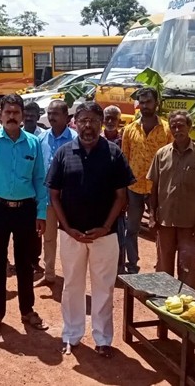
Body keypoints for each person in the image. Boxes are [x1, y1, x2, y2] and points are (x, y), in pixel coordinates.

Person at [46, 101, 135, 357]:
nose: (88, 126)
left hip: (105, 237)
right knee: (72, 285)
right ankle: (71, 335)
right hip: (71, 235)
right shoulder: (64, 152)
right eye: (83, 120)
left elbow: (121, 196)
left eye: (93, 121)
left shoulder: (114, 154)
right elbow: (54, 195)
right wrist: (67, 227)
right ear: (76, 122)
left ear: (101, 123)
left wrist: (106, 226)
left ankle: (103, 338)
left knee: (104, 288)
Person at [0, 93, 49, 337]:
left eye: (17, 113)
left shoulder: (33, 143)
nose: (12, 117)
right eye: (8, 112)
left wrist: (41, 213)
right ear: (0, 114)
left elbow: (40, 179)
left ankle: (27, 310)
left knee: (25, 264)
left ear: (22, 115)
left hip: (25, 210)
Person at [148, 110, 195, 289]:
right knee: (163, 266)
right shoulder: (161, 154)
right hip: (165, 222)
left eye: (181, 125)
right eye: (173, 126)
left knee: (188, 267)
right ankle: (163, 304)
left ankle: (187, 303)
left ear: (189, 127)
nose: (177, 129)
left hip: (189, 223)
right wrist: (153, 216)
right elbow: (153, 188)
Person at [121, 87, 173, 274]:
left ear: (156, 103)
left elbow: (172, 160)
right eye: (141, 103)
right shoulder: (129, 130)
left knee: (160, 230)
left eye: (148, 102)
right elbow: (125, 160)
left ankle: (162, 268)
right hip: (134, 188)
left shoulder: (167, 129)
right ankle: (132, 266)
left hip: (158, 189)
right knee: (131, 229)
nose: (144, 106)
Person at [36, 99, 77, 286]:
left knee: (70, 239)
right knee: (49, 238)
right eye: (49, 113)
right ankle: (49, 274)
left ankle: (71, 277)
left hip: (69, 200)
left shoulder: (75, 139)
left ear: (66, 117)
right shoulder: (41, 139)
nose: (51, 117)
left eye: (55, 114)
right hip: (47, 200)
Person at [102, 105, 126, 273]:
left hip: (119, 194)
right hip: (100, 195)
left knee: (119, 232)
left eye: (114, 119)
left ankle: (119, 267)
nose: (110, 122)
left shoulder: (125, 141)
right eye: (107, 118)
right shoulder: (96, 139)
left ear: (119, 121)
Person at [23, 101, 45, 274]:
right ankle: (22, 261)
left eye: (32, 115)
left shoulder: (43, 137)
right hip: (20, 191)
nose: (29, 117)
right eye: (26, 114)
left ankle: (34, 261)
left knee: (35, 231)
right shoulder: (16, 134)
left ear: (38, 117)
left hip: (37, 190)